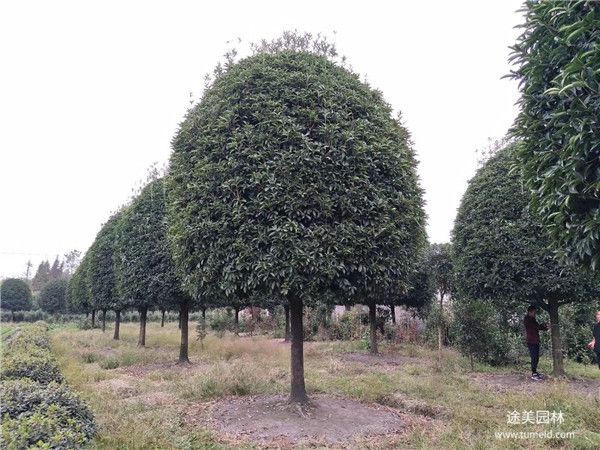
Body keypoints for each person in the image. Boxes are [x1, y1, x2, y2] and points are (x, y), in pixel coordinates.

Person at [524, 305, 548, 380]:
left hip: (535, 340)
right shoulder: (527, 319)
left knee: (536, 357)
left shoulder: (532, 319)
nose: (535, 314)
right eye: (534, 312)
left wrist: (544, 326)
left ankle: (535, 372)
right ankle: (533, 374)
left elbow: (537, 326)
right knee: (534, 357)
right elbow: (536, 327)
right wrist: (545, 327)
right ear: (530, 312)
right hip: (531, 341)